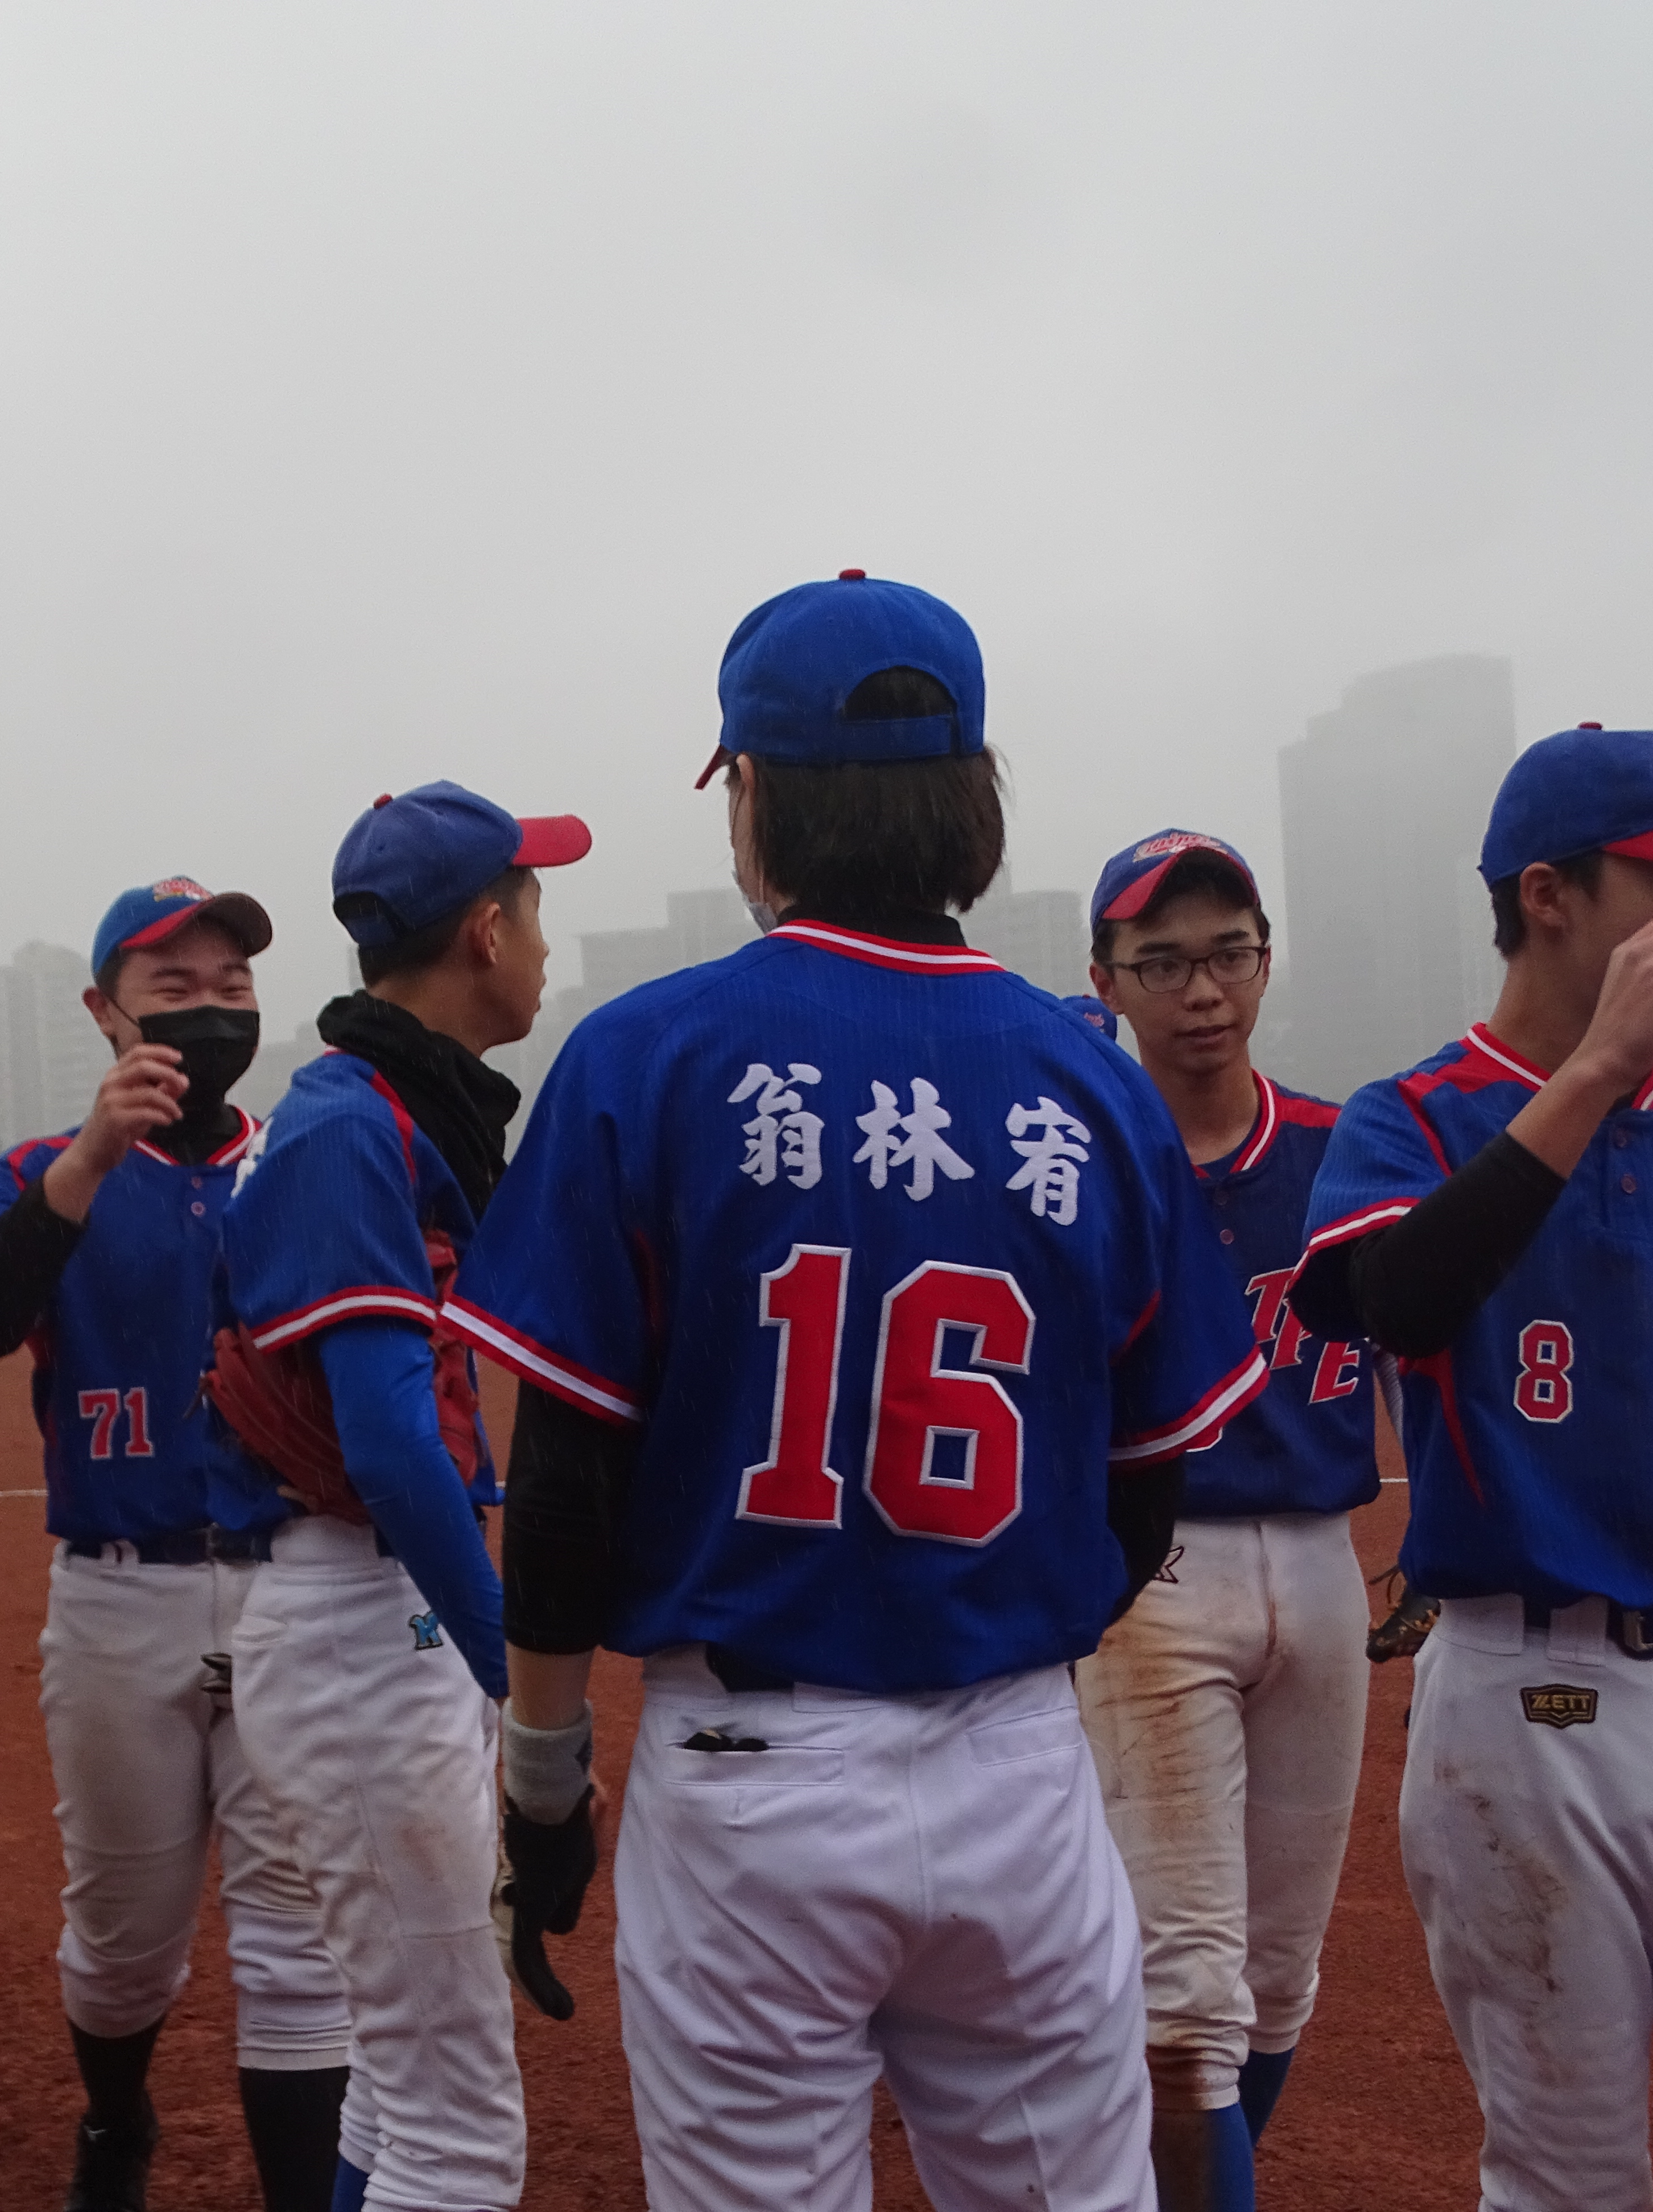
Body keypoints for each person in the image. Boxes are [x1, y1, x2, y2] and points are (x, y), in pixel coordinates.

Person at [447, 572, 1265, 2212]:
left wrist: (542, 1784)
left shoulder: (647, 1054)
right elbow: (1146, 1487)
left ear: (755, 796)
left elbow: (563, 1488)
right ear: (972, 797)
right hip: (1020, 1762)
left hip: (750, 1767)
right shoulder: (1088, 1083)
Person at [1294, 723, 1653, 2210]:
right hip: (1536, 1710)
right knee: (1572, 2182)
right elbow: (1399, 1302)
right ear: (1548, 896)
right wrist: (1602, 1066)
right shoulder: (1417, 1118)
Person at [0, 877, 352, 2212]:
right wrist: (89, 1160)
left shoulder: (303, 1157)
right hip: (121, 1598)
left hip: (289, 1586)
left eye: (233, 985)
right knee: (122, 1947)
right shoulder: (38, 1170)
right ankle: (116, 2120)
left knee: (295, 1942)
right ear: (103, 1011)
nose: (211, 1008)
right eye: (174, 988)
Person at [214, 784, 590, 2212]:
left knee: (397, 2074)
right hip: (357, 1624)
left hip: (373, 1614)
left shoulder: (393, 1108)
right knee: (459, 2132)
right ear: (484, 931)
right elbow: (384, 1443)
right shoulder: (349, 1123)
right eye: (534, 910)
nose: (545, 944)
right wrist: (518, 1681)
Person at [1071, 830, 1380, 2211]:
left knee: (1278, 1974)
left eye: (1227, 954)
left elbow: (1427, 1343)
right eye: (1162, 962)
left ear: (1264, 962)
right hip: (1156, 1573)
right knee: (1187, 1993)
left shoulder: (1340, 1147)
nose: (1201, 990)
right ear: (1107, 982)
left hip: (1321, 1567)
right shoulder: (1077, 1152)